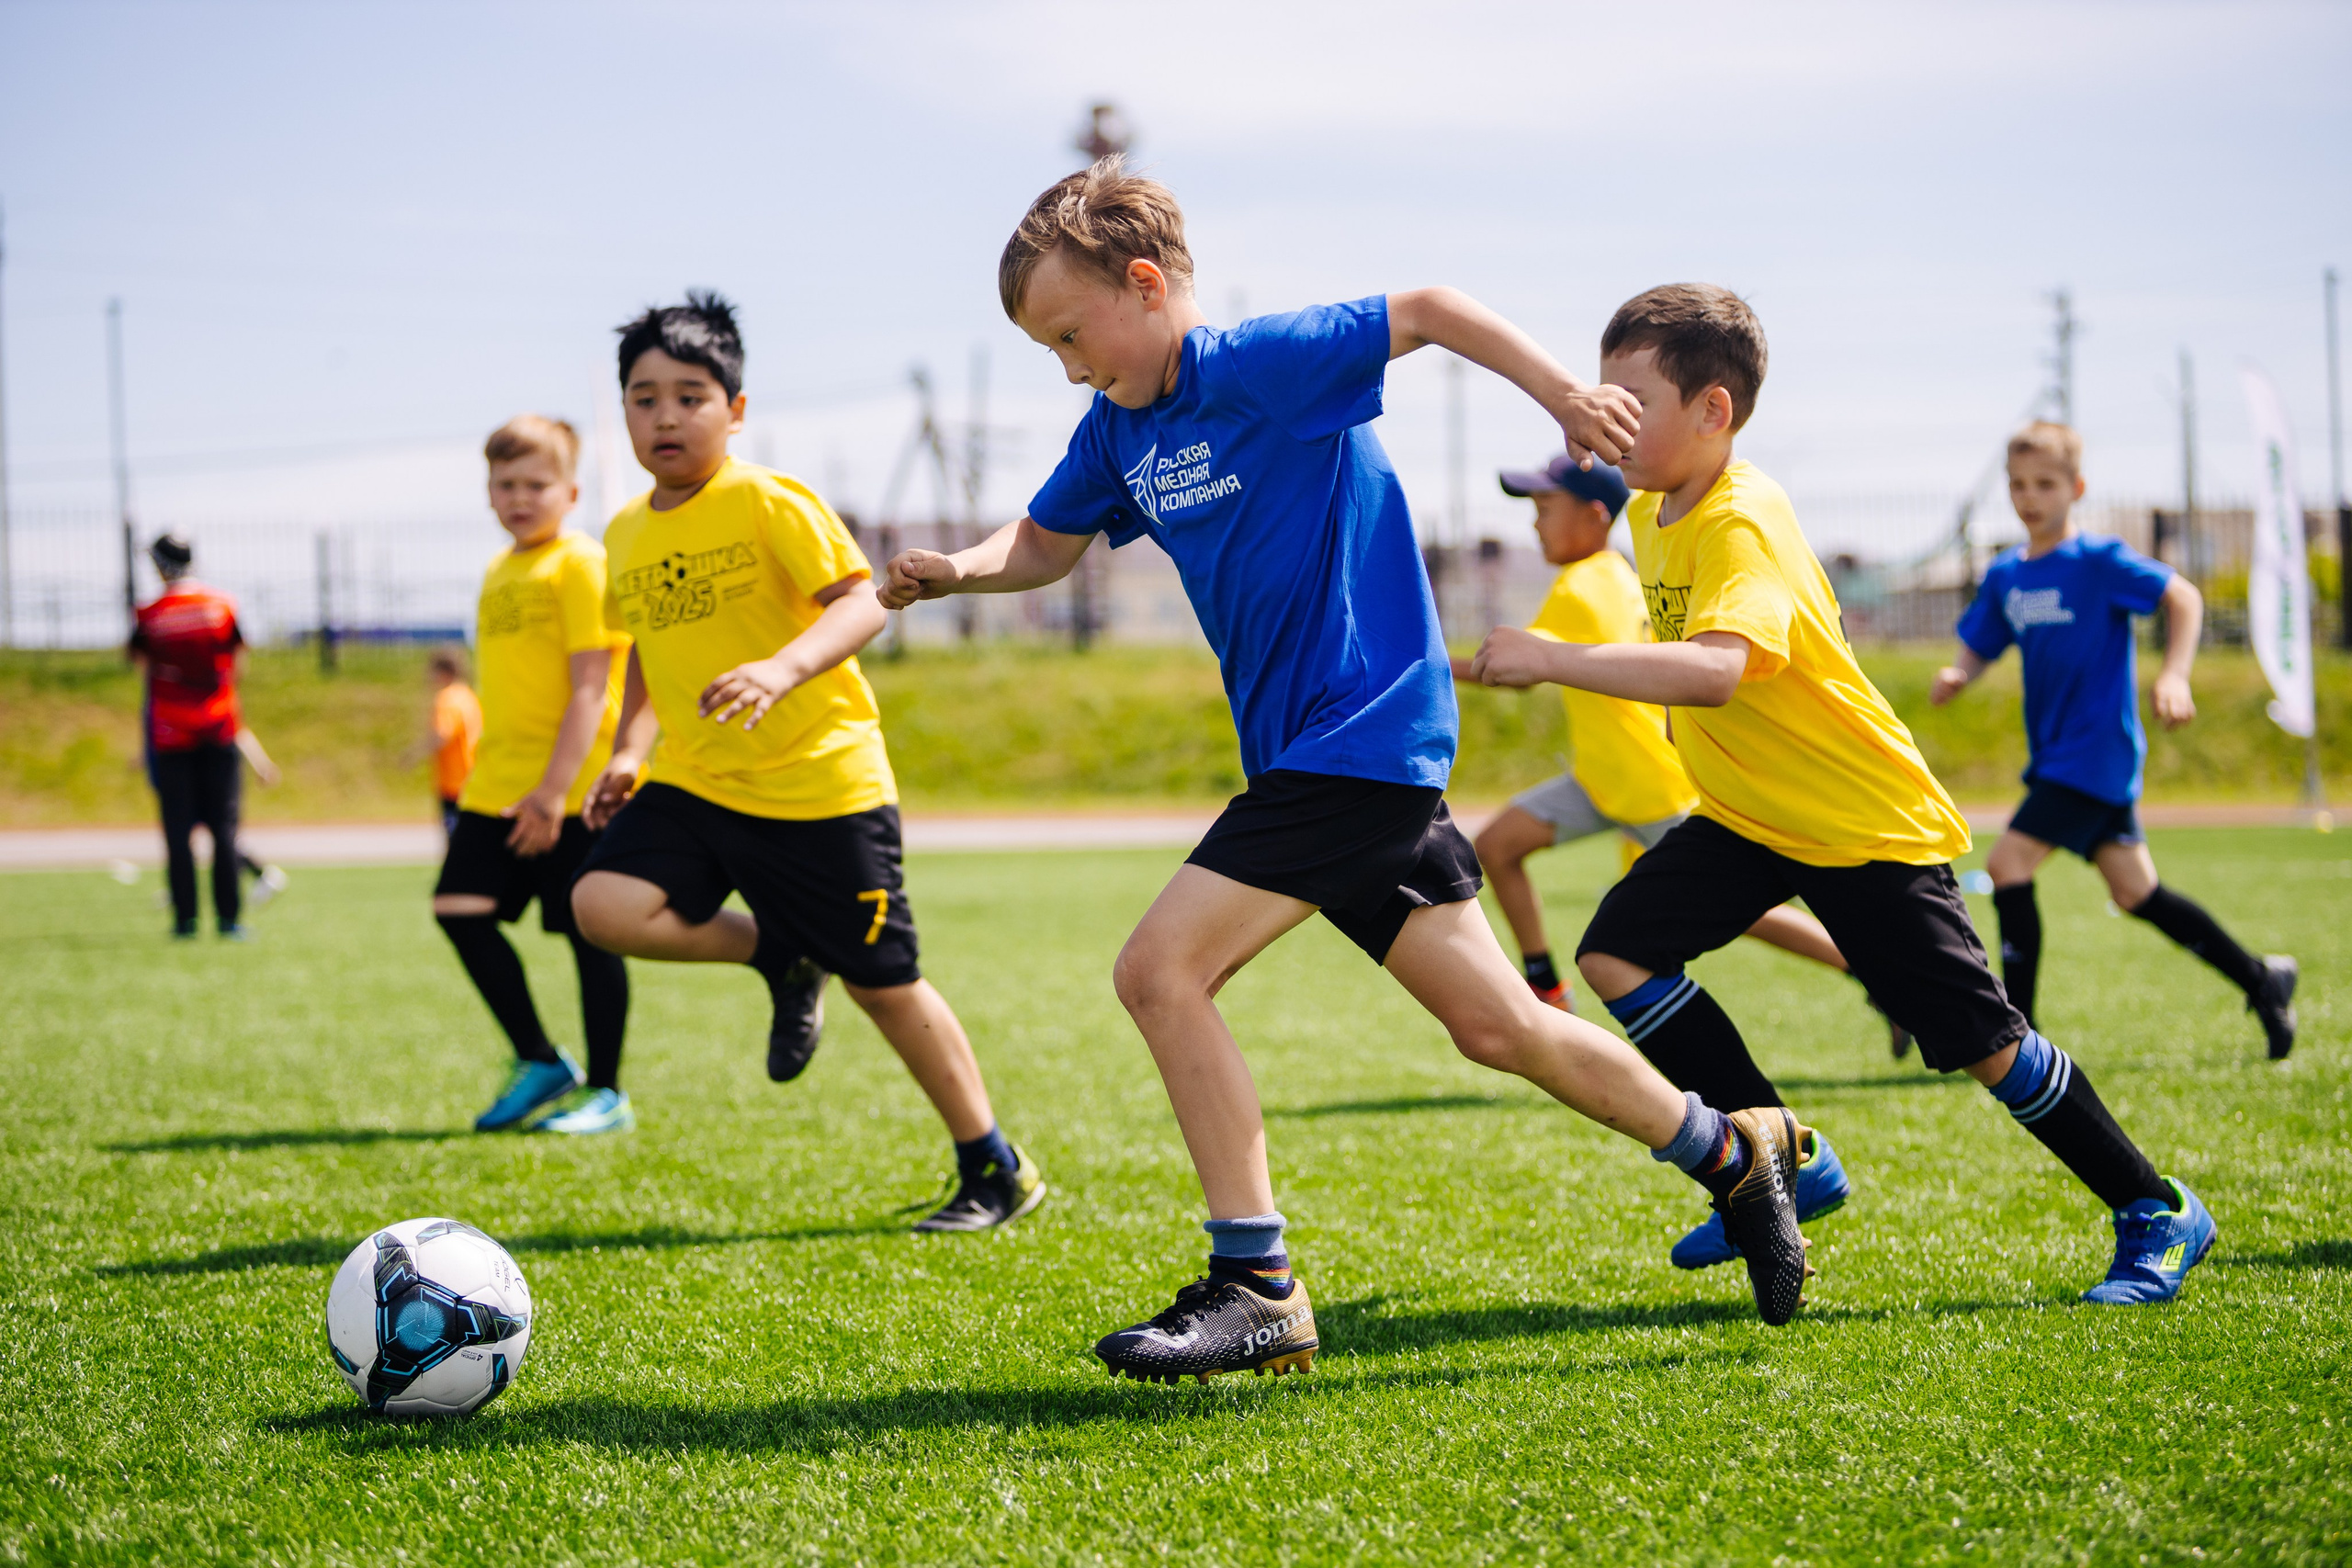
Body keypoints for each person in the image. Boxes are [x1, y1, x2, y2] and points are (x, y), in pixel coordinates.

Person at [881, 158, 1811, 1382]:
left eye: (1071, 332)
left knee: (1159, 970)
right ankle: (1732, 1150)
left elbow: (1427, 307)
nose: (1067, 364)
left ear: (1148, 285)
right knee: (1499, 1028)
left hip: (1360, 741)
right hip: (1323, 761)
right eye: (1048, 348)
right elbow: (1046, 539)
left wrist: (1561, 398)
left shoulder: (1264, 365)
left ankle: (1257, 1280)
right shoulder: (1117, 427)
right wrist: (961, 563)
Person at [1471, 284, 2212, 1305]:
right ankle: (1788, 1154)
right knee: (1617, 952)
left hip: (1860, 825)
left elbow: (1718, 668)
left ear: (1711, 412)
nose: (1607, 417)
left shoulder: (1740, 520)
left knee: (1987, 1048)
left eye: (1629, 399)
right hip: (1750, 815)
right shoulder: (1650, 506)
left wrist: (1556, 659)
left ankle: (2156, 1208)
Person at [570, 292, 1046, 1230]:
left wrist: (783, 667)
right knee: (601, 904)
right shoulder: (623, 532)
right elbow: (642, 664)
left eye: (691, 396)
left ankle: (994, 1167)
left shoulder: (768, 500)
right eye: (644, 398)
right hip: (699, 780)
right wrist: (628, 753)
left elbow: (865, 601)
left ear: (735, 410)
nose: (665, 416)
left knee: (881, 983)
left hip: (819, 784)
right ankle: (782, 955)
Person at [1462, 451, 1914, 1066]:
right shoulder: (1620, 570)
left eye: (1545, 509)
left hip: (1645, 779)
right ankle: (1546, 986)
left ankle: (1878, 977)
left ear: (1595, 516)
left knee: (1748, 913)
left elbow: (1509, 670)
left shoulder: (1581, 582)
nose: (1535, 525)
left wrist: (1423, 665)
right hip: (1603, 776)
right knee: (1496, 846)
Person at [1932, 422, 2298, 1057]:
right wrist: (1958, 672)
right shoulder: (2006, 577)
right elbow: (1981, 641)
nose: (2029, 497)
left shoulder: (2098, 563)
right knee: (2136, 892)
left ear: (2075, 488)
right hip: (2058, 754)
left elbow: (2182, 596)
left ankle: (2016, 1033)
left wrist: (2175, 673)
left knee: (2006, 863)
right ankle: (2263, 979)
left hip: (2096, 750)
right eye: (2018, 484)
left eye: (2045, 484)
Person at [434, 417, 636, 1135]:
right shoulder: (498, 568)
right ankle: (541, 1059)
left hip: (572, 790)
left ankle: (607, 1091)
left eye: (537, 483)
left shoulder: (580, 563)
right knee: (457, 908)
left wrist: (555, 793)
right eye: (505, 484)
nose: (520, 497)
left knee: (589, 931)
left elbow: (590, 688)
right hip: (498, 785)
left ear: (571, 490)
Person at [131, 534, 254, 940]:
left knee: (177, 829)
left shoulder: (150, 613)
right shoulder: (222, 606)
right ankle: (230, 919)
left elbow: (141, 669)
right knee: (224, 827)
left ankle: (185, 920)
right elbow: (238, 662)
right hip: (219, 727)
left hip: (170, 733)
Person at [424, 647, 483, 838]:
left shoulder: (447, 698)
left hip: (454, 782)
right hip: (472, 776)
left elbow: (442, 734)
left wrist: (414, 753)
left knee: (456, 841)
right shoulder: (469, 695)